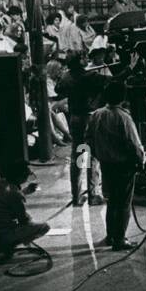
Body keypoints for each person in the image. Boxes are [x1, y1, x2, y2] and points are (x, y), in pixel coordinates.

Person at [86, 79, 144, 250]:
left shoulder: (96, 114)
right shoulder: (124, 117)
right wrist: (141, 161)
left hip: (106, 165)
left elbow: (88, 139)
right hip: (124, 166)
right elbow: (134, 144)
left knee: (112, 202)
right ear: (123, 97)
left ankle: (111, 236)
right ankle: (120, 240)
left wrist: (99, 155)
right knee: (123, 203)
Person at [56, 55, 105, 207]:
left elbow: (59, 89)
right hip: (88, 118)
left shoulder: (66, 77)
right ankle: (93, 194)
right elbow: (111, 81)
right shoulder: (89, 76)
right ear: (80, 62)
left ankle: (76, 196)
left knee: (77, 155)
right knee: (92, 156)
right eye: (84, 57)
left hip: (75, 118)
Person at [0, 161, 50, 252]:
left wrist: (24, 192)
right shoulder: (15, 194)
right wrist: (30, 220)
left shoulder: (0, 183)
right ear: (20, 177)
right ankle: (8, 245)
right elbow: (23, 220)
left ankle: (6, 243)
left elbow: (7, 198)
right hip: (0, 234)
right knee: (44, 226)